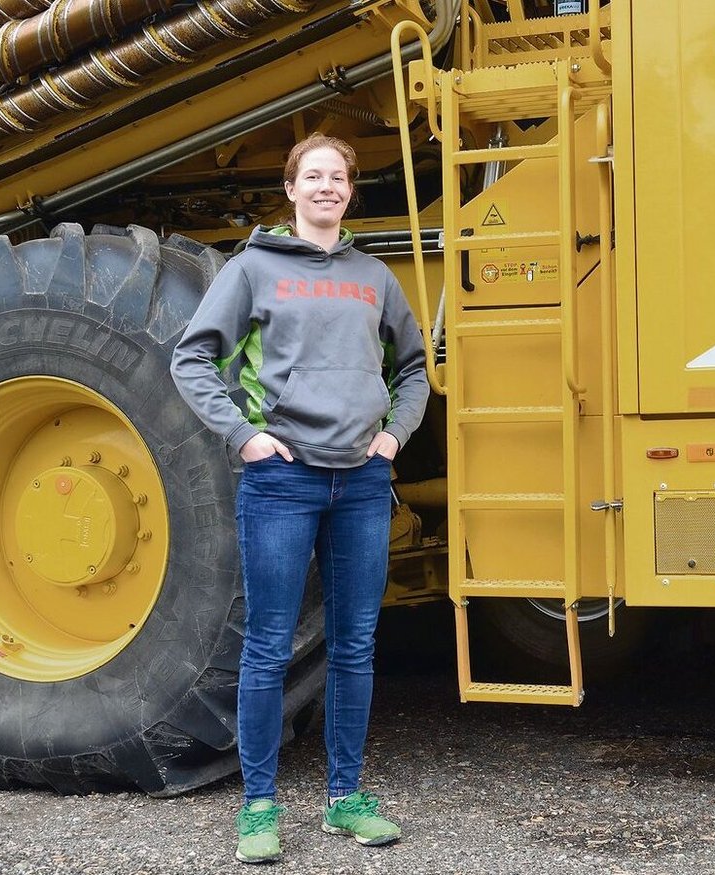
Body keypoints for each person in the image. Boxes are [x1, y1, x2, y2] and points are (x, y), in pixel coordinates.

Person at [170, 133, 429, 864]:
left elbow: (414, 369)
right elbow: (190, 356)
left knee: (353, 643)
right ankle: (258, 806)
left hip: (362, 482)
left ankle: (345, 798)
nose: (326, 187)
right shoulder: (253, 269)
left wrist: (393, 437)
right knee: (267, 646)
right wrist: (243, 436)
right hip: (281, 480)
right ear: (290, 189)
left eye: (338, 177)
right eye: (312, 176)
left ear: (350, 191)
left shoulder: (375, 277)